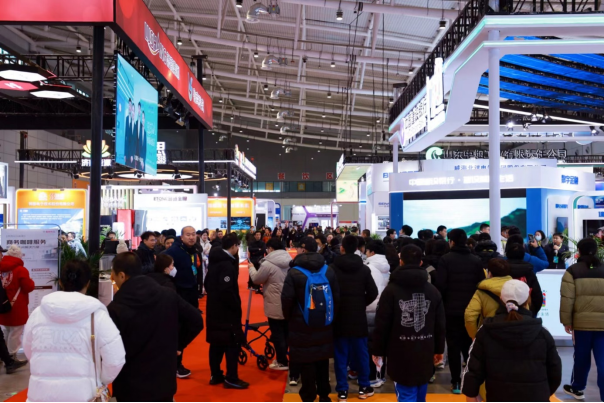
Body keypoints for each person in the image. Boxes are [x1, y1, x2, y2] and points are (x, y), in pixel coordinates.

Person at [23, 260, 126, 402]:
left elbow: (29, 349)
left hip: (41, 394)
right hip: (84, 395)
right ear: (88, 284)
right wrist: (100, 380)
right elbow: (115, 358)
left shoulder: (38, 314)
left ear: (60, 282)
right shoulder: (97, 316)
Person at [109, 252, 203, 402]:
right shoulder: (167, 294)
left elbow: (111, 350)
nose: (111, 278)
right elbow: (196, 320)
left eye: (112, 274)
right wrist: (178, 344)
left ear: (121, 275)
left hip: (130, 383)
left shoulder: (116, 307)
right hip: (163, 380)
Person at [462, 280, 562, 402]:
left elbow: (473, 372)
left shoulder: (486, 332)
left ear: (501, 298)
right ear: (528, 300)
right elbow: (555, 371)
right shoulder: (542, 333)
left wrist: (471, 395)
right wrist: (542, 393)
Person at [372, 245, 446, 403]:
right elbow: (440, 324)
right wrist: (439, 349)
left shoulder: (391, 291)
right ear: (421, 262)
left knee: (406, 394)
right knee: (420, 392)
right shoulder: (433, 291)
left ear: (401, 261)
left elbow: (382, 324)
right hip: (425, 349)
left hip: (399, 351)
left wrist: (378, 350)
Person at [282, 237, 340, 403]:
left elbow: (286, 300)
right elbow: (336, 298)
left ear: (303, 250)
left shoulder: (294, 272)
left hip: (301, 326)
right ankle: (324, 395)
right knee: (322, 361)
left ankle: (308, 397)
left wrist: (291, 319)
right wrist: (330, 318)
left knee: (306, 363)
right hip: (324, 324)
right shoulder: (328, 270)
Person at [435, 229, 486, 394]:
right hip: (472, 311)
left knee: (453, 347)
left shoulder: (445, 259)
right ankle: (470, 381)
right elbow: (481, 284)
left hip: (451, 311)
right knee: (471, 346)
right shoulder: (476, 260)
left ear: (452, 242)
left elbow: (440, 285)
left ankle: (456, 382)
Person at [330, 235, 379, 402]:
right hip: (358, 316)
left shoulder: (332, 268)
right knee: (362, 353)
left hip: (339, 316)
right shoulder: (364, 269)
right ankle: (364, 387)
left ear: (342, 248)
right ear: (358, 248)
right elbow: (373, 292)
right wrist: (360, 303)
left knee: (340, 354)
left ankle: (342, 390)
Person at [561, 238, 604, 401]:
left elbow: (567, 299)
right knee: (603, 362)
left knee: (581, 357)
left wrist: (566, 321)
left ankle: (578, 387)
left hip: (581, 325)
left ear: (579, 251)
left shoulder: (572, 271)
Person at [204, 235, 249, 389]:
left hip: (213, 308)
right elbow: (227, 291)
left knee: (216, 343)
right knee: (232, 342)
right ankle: (231, 377)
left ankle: (215, 374)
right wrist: (235, 306)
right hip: (226, 312)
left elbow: (207, 283)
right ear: (234, 246)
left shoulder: (215, 260)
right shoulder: (227, 265)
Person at [249, 238, 295, 374]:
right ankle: (287, 358)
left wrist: (251, 269)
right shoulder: (290, 260)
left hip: (274, 303)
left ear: (271, 249)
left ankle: (282, 361)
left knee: (277, 334)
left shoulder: (268, 264)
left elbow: (257, 279)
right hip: (289, 302)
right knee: (286, 332)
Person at [163, 226, 202, 377]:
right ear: (182, 237)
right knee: (179, 329)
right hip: (178, 294)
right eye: (188, 235)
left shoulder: (193, 250)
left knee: (189, 326)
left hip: (191, 292)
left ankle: (176, 358)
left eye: (193, 234)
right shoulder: (173, 251)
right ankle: (175, 364)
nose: (191, 237)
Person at [0, 245, 35, 362]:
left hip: (4, 305)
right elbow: (28, 287)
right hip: (17, 307)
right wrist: (31, 282)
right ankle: (12, 357)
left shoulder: (1, 268)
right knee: (16, 333)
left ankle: (4, 356)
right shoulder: (21, 270)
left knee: (7, 331)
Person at [464, 258, 513, 339]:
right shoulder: (517, 289)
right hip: (514, 334)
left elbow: (469, 317)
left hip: (489, 335)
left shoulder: (481, 291)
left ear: (489, 273)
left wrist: (474, 336)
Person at [365, 240, 391, 388]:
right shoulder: (386, 267)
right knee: (380, 343)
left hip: (369, 309)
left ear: (372, 252)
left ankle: (372, 377)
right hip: (384, 309)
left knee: (370, 345)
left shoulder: (368, 267)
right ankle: (380, 375)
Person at [505, 243, 543, 318]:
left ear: (507, 254)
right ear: (523, 255)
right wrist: (531, 313)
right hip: (526, 314)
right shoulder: (529, 272)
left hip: (503, 315)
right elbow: (537, 297)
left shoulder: (501, 270)